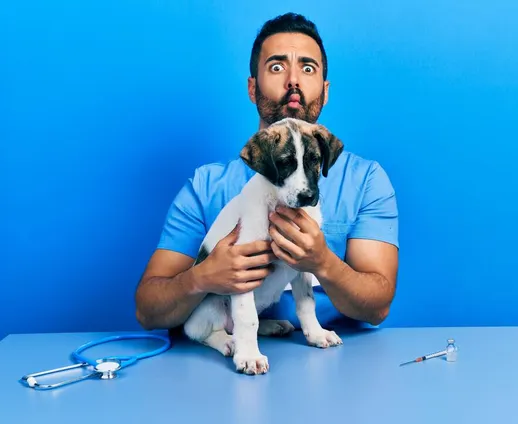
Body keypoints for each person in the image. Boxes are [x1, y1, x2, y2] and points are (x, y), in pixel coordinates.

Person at [134, 12, 399, 335]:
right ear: (252, 88)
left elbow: (378, 307)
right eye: (276, 67)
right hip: (229, 342)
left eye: (307, 67)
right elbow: (147, 311)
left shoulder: (366, 179)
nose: (293, 81)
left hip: (337, 354)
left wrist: (322, 262)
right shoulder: (205, 186)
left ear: (325, 90)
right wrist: (200, 277)